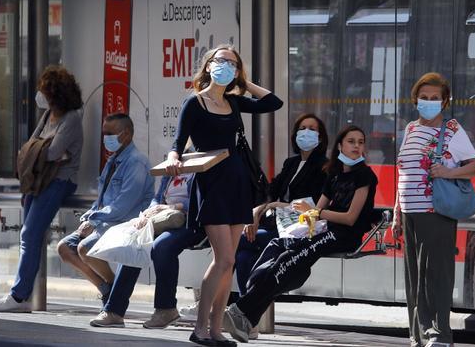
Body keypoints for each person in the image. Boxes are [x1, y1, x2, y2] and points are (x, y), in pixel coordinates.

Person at [162, 44, 282, 346]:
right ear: (208, 65)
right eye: (221, 61)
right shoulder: (195, 102)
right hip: (212, 186)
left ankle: (215, 330)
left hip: (239, 185)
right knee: (224, 257)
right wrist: (174, 157)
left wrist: (242, 81)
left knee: (227, 263)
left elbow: (273, 102)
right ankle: (199, 328)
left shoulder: (235, 101)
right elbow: (178, 142)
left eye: (232, 63)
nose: (226, 66)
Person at [223, 125, 379, 343]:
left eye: (361, 142)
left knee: (290, 259)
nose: (356, 146)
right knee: (276, 248)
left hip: (344, 235)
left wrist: (316, 212)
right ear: (341, 145)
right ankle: (247, 316)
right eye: (351, 141)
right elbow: (315, 213)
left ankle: (241, 311)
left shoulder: (365, 175)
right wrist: (306, 214)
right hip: (322, 229)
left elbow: (350, 218)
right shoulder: (334, 173)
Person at [392, 72, 475, 347]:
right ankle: (418, 335)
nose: (428, 102)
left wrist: (446, 171)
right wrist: (396, 212)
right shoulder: (410, 129)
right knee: (414, 277)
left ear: (444, 103)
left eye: (435, 98)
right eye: (424, 97)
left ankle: (439, 334)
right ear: (415, 99)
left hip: (436, 210)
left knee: (436, 274)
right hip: (409, 212)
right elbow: (403, 173)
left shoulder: (452, 129)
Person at [0, 65, 85, 313]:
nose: (38, 96)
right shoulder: (47, 116)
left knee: (30, 234)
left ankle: (19, 296)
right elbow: (32, 149)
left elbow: (50, 152)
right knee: (28, 235)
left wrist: (42, 151)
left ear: (55, 93)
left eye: (43, 91)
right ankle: (23, 294)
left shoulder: (71, 117)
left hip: (60, 181)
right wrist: (44, 151)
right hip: (39, 180)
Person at [233, 114, 329, 311]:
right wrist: (261, 210)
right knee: (243, 256)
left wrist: (276, 205)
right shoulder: (291, 163)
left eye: (312, 128)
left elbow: (312, 204)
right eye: (303, 128)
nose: (307, 132)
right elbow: (271, 192)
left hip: (299, 228)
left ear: (320, 137)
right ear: (295, 134)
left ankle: (242, 310)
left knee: (237, 241)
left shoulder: (324, 166)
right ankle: (246, 312)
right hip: (277, 222)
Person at [89, 170, 204, 329]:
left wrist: (173, 206)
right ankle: (114, 311)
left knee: (162, 246)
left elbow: (202, 201)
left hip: (190, 222)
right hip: (164, 219)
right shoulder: (174, 165)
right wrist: (150, 212)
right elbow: (157, 198)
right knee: (135, 242)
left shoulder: (202, 165)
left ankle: (166, 308)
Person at [58, 113, 154, 298]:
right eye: (104, 133)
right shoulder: (112, 161)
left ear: (126, 134)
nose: (106, 138)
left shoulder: (136, 162)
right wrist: (89, 216)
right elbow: (102, 200)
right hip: (104, 223)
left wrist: (93, 221)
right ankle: (107, 287)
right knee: (64, 248)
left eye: (110, 133)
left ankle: (112, 290)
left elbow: (123, 207)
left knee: (84, 248)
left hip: (125, 224)